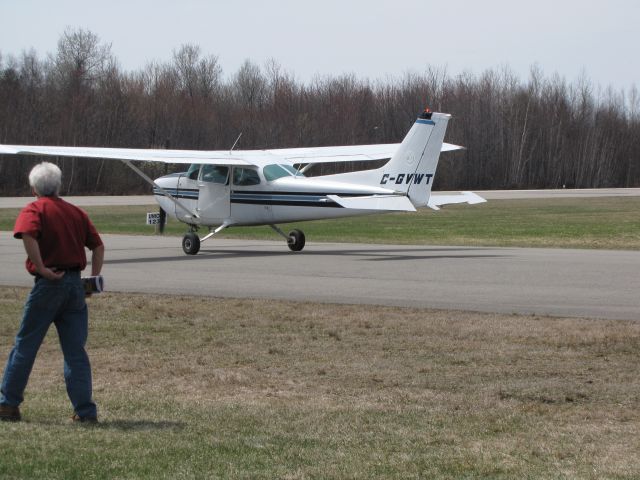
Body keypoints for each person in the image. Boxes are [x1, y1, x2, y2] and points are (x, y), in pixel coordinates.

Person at [0, 162, 104, 423]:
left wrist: (42, 268)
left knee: (25, 345)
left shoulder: (35, 208)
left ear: (34, 188)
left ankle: (7, 405)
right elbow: (98, 246)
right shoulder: (75, 212)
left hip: (49, 284)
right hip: (74, 286)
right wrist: (92, 280)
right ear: (58, 186)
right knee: (75, 351)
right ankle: (85, 412)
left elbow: (27, 234)